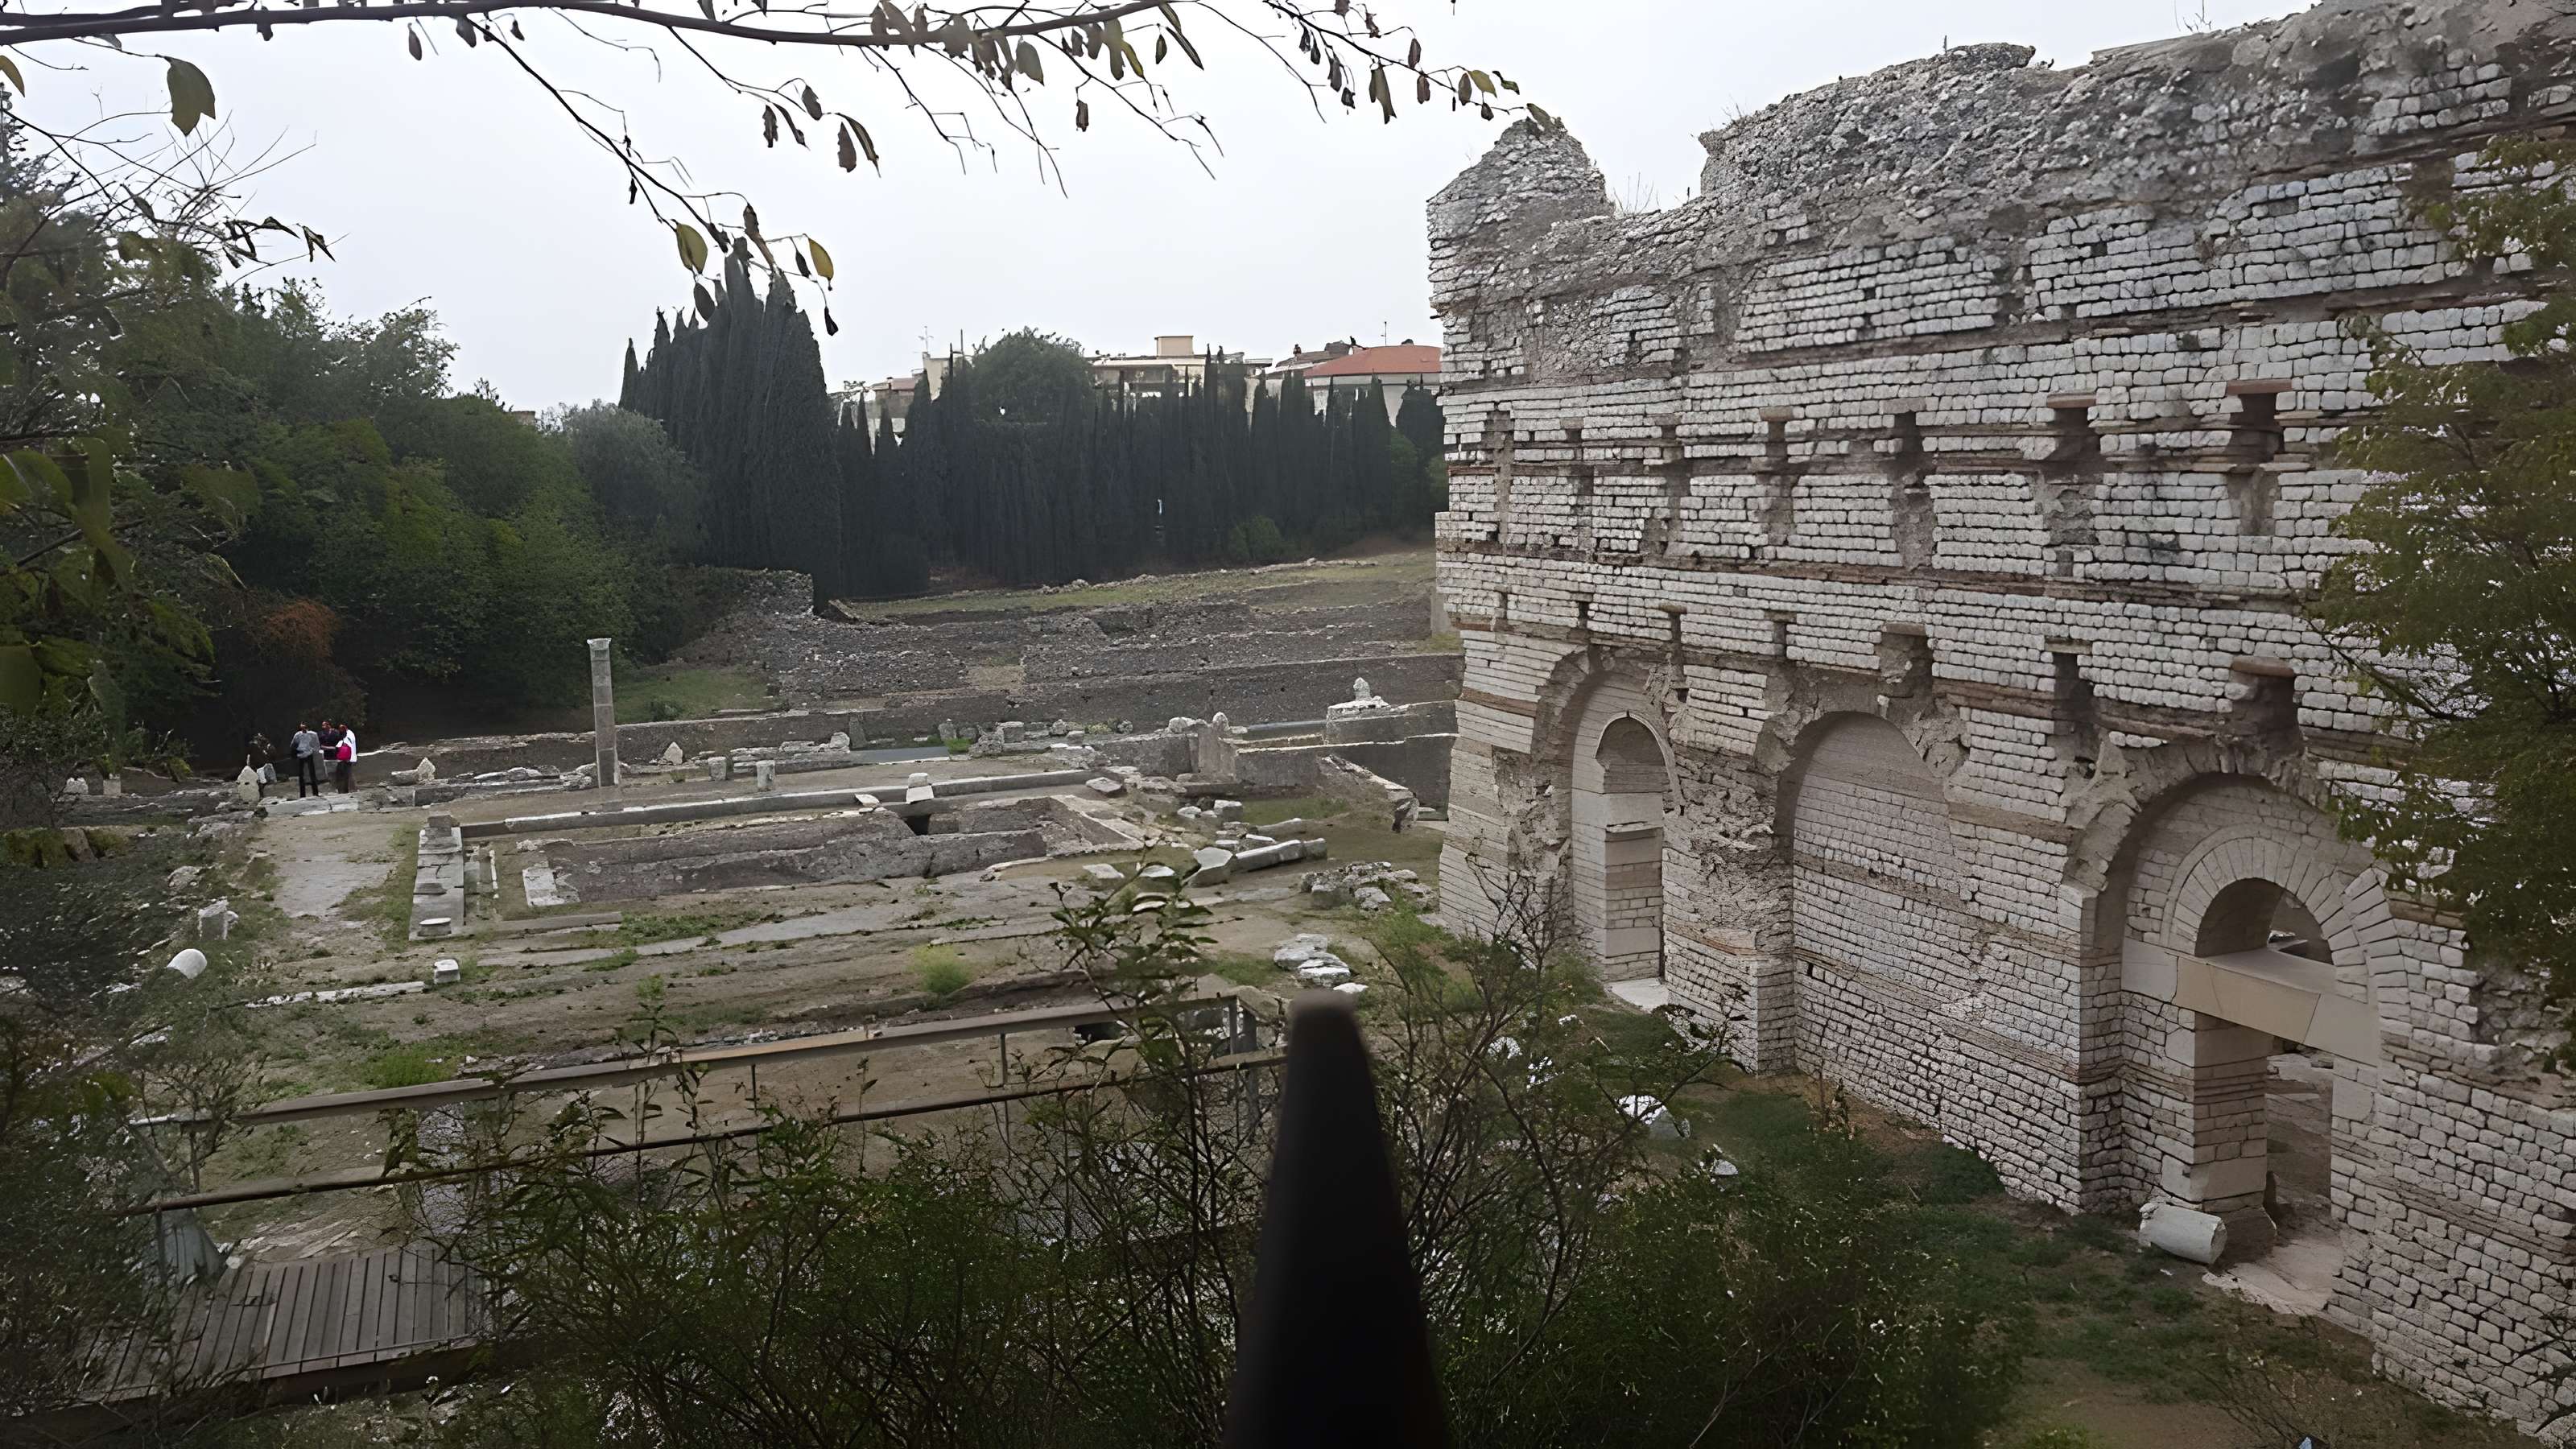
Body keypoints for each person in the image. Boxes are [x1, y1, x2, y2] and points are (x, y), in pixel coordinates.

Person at [290, 721, 321, 797]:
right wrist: (296, 751)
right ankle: (302, 794)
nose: (303, 727)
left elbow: (317, 745)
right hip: (301, 755)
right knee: (301, 775)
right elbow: (293, 745)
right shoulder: (297, 735)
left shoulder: (313, 734)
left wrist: (313, 751)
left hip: (309, 754)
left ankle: (315, 792)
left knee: (312, 773)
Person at [333, 723, 358, 795]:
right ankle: (347, 790)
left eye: (341, 729)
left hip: (347, 758)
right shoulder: (347, 734)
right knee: (346, 774)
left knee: (348, 774)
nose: (340, 731)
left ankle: (350, 790)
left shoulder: (349, 735)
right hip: (346, 758)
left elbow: (347, 746)